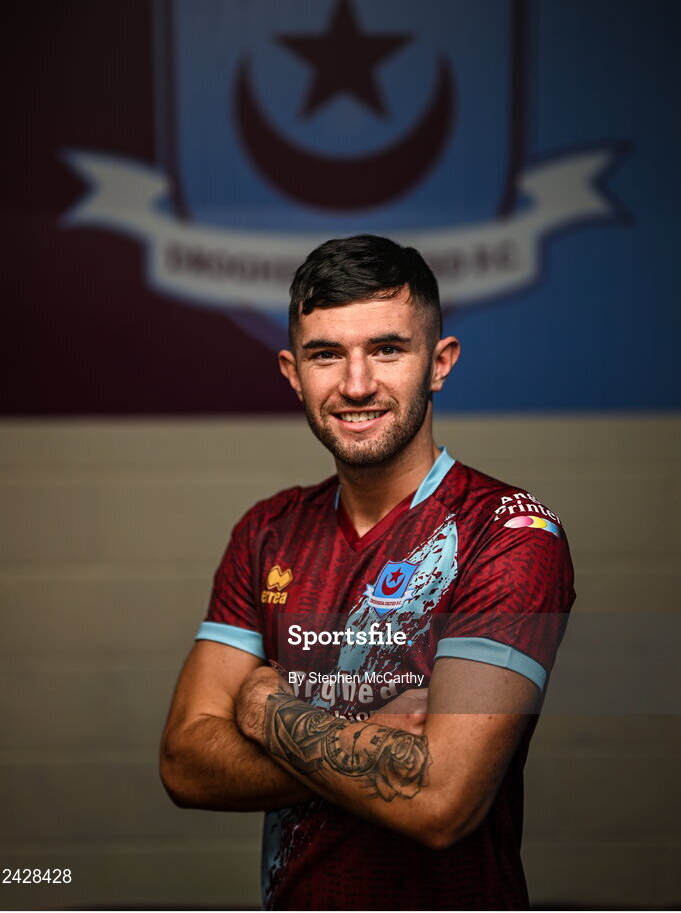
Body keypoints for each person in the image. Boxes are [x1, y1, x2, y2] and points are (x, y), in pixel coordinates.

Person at [160, 234, 575, 910]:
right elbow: (184, 763)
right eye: (326, 354)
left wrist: (267, 712)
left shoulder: (507, 531)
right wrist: (375, 744)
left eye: (387, 349)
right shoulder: (267, 530)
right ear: (293, 373)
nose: (356, 385)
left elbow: (443, 799)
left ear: (439, 363)